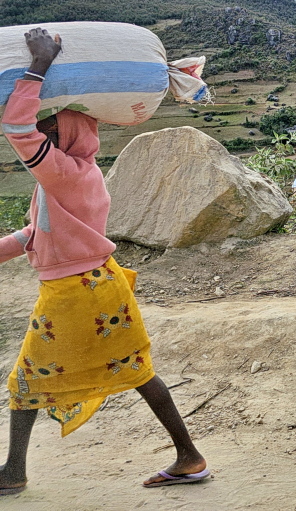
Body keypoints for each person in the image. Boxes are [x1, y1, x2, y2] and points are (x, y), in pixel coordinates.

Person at [0, 28, 208, 496]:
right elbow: (38, 234)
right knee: (135, 369)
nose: (44, 129)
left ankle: (12, 473)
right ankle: (188, 455)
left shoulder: (65, 173)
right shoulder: (71, 177)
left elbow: (16, 126)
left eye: (51, 126)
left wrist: (39, 64)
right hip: (94, 285)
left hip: (77, 292)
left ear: (67, 136)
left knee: (28, 380)